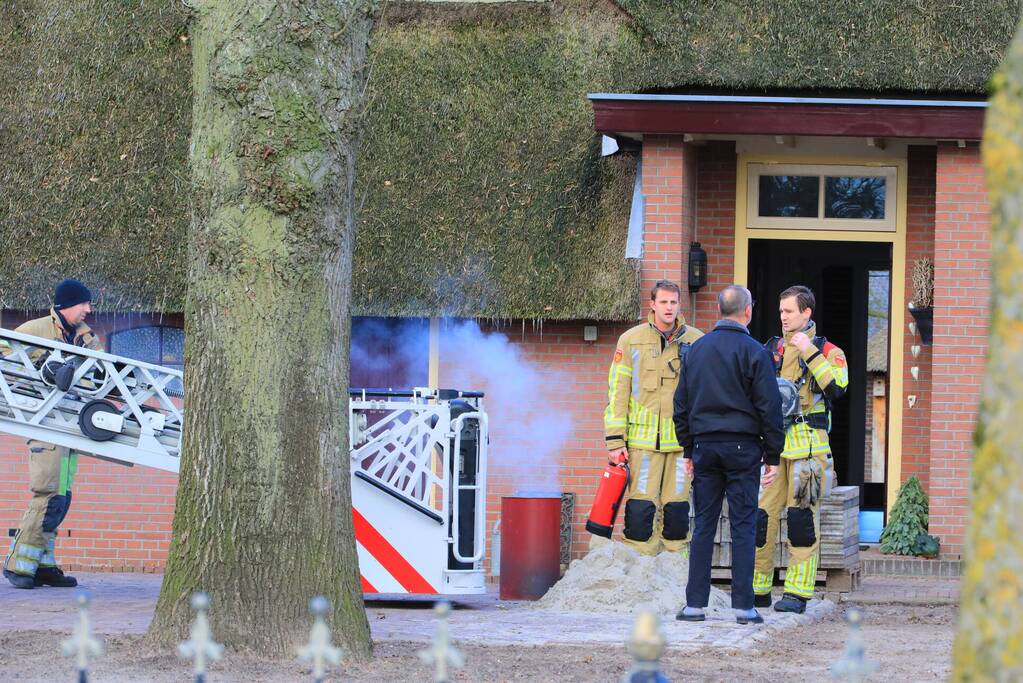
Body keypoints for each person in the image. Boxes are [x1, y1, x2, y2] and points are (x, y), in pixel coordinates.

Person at [673, 285, 784, 624]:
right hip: (743, 449)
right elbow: (770, 407)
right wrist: (773, 455)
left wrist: (688, 447)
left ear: (719, 310)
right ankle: (743, 607)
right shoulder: (755, 352)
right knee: (744, 525)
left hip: (705, 447)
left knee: (703, 524)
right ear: (747, 311)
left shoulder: (696, 350)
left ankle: (694, 605)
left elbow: (681, 405)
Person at [752, 285, 848, 614]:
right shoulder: (770, 349)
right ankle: (757, 589)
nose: (783, 317)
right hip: (773, 451)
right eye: (781, 311)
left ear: (806, 313)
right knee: (761, 519)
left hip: (810, 452)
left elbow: (837, 388)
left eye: (789, 311)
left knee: (801, 521)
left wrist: (809, 351)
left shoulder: (828, 350)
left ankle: (797, 592)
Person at [3, 279, 101, 589]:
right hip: (44, 425)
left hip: (71, 429)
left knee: (61, 497)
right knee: (46, 493)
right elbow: (4, 353)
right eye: (83, 303)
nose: (89, 309)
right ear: (65, 305)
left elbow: (105, 374)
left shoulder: (86, 338)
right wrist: (38, 368)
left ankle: (43, 565)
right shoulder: (37, 330)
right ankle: (19, 566)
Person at [602, 279, 703, 556]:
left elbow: (706, 394)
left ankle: (677, 575)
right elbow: (617, 392)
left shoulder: (697, 340)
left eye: (673, 302)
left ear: (680, 304)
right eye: (663, 302)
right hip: (642, 445)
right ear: (652, 305)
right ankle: (639, 571)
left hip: (683, 446)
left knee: (678, 511)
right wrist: (614, 441)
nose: (669, 308)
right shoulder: (630, 340)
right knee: (640, 511)